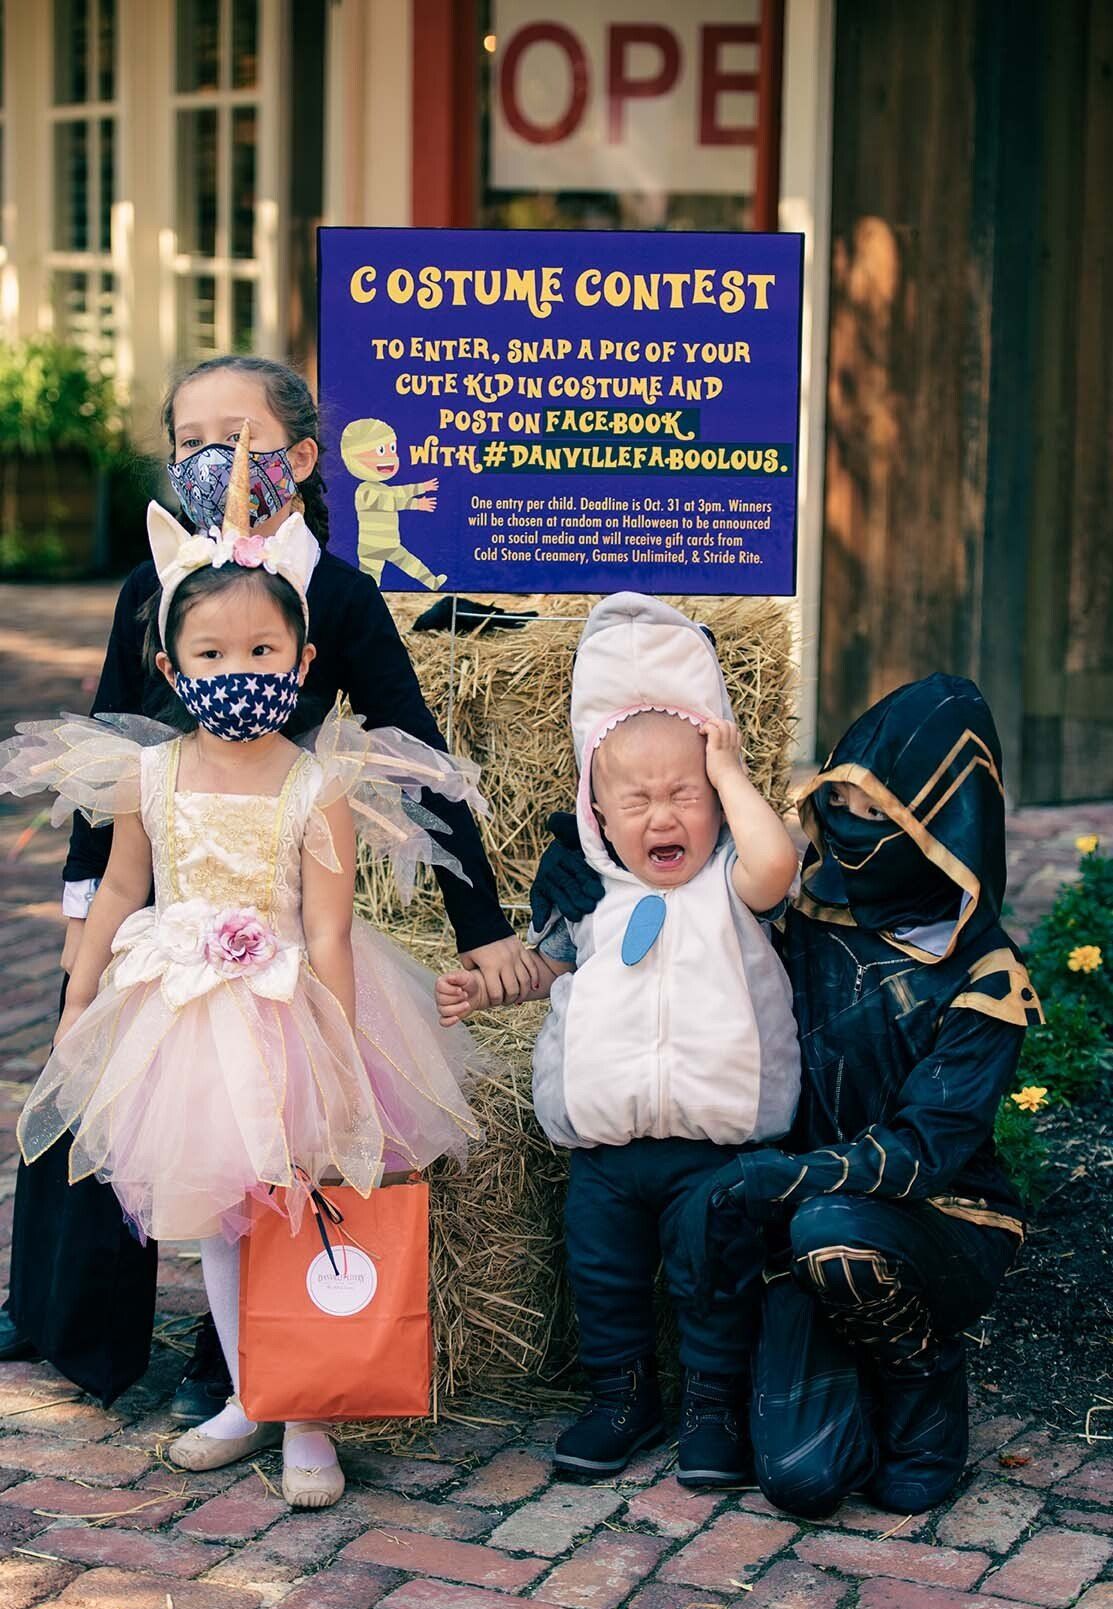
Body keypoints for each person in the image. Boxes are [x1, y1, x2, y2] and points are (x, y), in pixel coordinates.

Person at [0, 355, 532, 1414]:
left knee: (263, 1133)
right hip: (166, 876)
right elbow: (111, 751)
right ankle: (63, 1312)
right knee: (112, 1095)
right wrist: (79, 914)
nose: (211, 459)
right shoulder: (153, 586)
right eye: (188, 437)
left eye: (234, 436)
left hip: (276, 893)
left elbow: (415, 759)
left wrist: (481, 924)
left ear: (296, 457)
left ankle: (238, 1350)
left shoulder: (338, 592)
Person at [533, 673, 1042, 1516]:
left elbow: (924, 1153)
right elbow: (699, 893)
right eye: (844, 804)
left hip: (935, 1218)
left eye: (884, 814)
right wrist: (581, 858)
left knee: (830, 1231)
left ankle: (921, 1397)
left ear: (943, 826)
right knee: (802, 1480)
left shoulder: (984, 979)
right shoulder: (803, 912)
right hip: (799, 1215)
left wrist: (774, 1180)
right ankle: (824, 1386)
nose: (854, 830)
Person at [436, 595, 800, 1486]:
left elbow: (778, 862)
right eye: (634, 800)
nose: (661, 817)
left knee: (711, 1281)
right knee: (602, 1280)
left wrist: (732, 769)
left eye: (684, 795)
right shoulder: (588, 896)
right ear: (595, 810)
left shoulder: (734, 887)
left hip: (716, 1146)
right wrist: (484, 984)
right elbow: (544, 967)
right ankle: (619, 1397)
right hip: (605, 1150)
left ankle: (713, 1407)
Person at [340, 416, 446, 589]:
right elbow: (388, 502)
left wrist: (422, 487)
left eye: (392, 449)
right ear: (354, 459)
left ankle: (433, 583)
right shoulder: (365, 490)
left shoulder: (382, 487)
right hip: (372, 547)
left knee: (411, 564)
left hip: (390, 543)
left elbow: (400, 491)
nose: (390, 457)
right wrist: (416, 504)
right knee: (369, 581)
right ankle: (364, 603)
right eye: (381, 450)